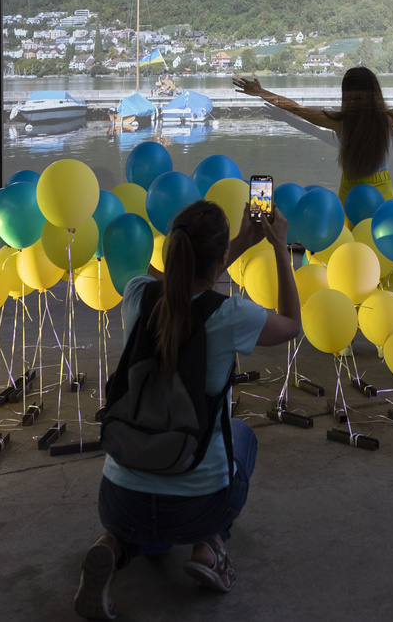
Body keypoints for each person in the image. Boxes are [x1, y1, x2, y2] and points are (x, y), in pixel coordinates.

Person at [75, 199, 301, 620]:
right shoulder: (231, 314)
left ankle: (111, 545)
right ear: (220, 259)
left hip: (118, 503)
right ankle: (208, 546)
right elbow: (293, 324)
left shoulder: (137, 295)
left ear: (172, 250)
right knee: (243, 437)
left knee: (145, 516)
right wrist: (277, 248)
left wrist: (234, 244)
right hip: (195, 508)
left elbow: (187, 277)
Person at [233, 64, 393, 201]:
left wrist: (262, 93)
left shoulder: (340, 120)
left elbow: (296, 108)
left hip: (350, 192)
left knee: (348, 254)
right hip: (381, 192)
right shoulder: (390, 119)